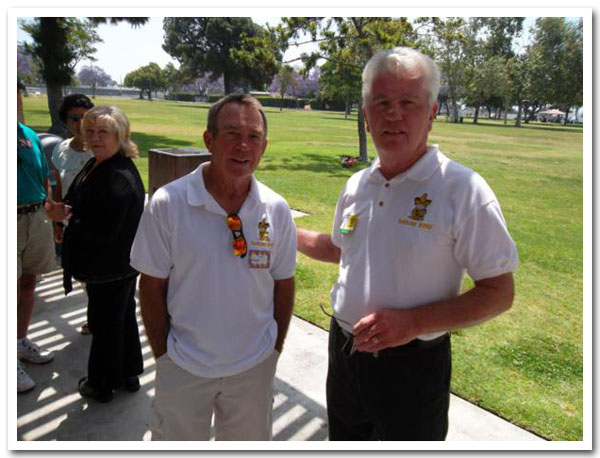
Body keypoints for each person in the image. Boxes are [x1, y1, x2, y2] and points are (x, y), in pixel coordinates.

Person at [296, 47, 519, 441]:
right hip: (344, 353)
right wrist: (288, 230)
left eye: (408, 103)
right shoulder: (357, 185)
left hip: (412, 370)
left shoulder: (463, 190)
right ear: (366, 115)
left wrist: (413, 323)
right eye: (381, 102)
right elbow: (341, 250)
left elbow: (499, 292)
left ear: (431, 113)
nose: (393, 114)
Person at [130, 94, 296, 441]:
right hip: (183, 365)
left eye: (254, 136)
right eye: (232, 133)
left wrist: (273, 351)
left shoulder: (276, 209)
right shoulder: (169, 203)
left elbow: (283, 283)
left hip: (254, 367)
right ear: (209, 140)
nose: (243, 146)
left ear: (264, 146)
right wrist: (165, 356)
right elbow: (151, 285)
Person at [51, 105, 146, 403]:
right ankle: (128, 373)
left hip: (110, 265)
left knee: (104, 322)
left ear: (120, 135)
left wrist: (65, 218)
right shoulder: (98, 163)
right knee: (121, 316)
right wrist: (64, 212)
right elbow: (80, 199)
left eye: (103, 132)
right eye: (89, 131)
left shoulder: (118, 175)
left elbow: (104, 229)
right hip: (116, 264)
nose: (94, 137)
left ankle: (101, 384)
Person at [17, 81, 56, 393]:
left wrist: (51, 210)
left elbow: (44, 178)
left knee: (29, 282)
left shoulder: (29, 135)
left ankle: (19, 340)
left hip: (35, 216)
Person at [51, 94, 95, 334]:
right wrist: (58, 223)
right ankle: (94, 314)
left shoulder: (101, 147)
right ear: (65, 121)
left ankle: (99, 317)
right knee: (83, 274)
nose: (79, 123)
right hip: (72, 223)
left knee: (100, 273)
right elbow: (59, 186)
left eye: (84, 117)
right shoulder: (61, 149)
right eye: (73, 118)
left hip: (98, 225)